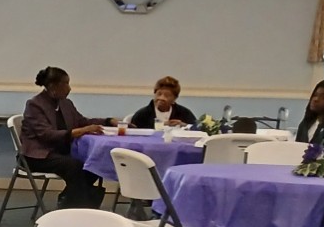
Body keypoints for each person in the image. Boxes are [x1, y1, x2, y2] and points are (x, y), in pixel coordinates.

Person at [20, 66, 111, 209]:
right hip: (37, 156)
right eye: (65, 84)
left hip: (59, 153)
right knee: (74, 166)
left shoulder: (65, 103)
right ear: (53, 86)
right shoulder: (34, 105)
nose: (69, 88)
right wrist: (79, 131)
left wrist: (108, 121)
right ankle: (81, 206)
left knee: (93, 164)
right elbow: (46, 134)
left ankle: (69, 200)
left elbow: (82, 121)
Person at [128, 76, 196, 129]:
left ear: (174, 99)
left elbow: (198, 129)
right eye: (159, 94)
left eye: (167, 95)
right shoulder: (142, 115)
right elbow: (134, 134)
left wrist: (185, 126)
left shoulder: (184, 113)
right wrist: (161, 127)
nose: (161, 98)